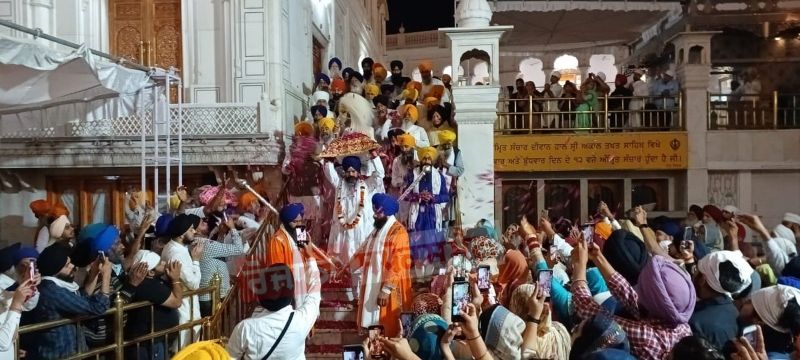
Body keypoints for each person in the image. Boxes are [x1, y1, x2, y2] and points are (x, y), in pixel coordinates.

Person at [340, 193, 412, 337]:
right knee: (373, 328)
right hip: (372, 283)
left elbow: (399, 263)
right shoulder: (377, 230)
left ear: (386, 213)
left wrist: (385, 290)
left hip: (390, 288)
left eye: (377, 213)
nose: (374, 216)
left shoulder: (398, 232)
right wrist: (347, 267)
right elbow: (364, 252)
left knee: (389, 327)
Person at [23, 243, 111, 359]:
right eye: (67, 265)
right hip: (61, 354)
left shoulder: (54, 286)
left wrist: (94, 272)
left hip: (71, 352)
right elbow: (98, 307)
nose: (73, 266)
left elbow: (81, 299)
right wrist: (106, 276)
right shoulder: (53, 291)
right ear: (55, 270)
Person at [227, 261, 321, 360]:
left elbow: (228, 357)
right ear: (291, 291)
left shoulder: (245, 329)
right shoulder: (301, 320)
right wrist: (311, 260)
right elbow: (314, 294)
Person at [323, 154, 385, 297]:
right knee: (348, 264)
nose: (351, 174)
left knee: (363, 264)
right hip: (344, 233)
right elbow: (329, 171)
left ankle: (362, 295)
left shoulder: (367, 186)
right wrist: (329, 159)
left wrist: (375, 157)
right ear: (344, 172)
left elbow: (379, 175)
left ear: (358, 172)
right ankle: (355, 294)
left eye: (353, 171)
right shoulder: (339, 185)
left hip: (361, 232)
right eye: (348, 171)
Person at [264, 203, 326, 306]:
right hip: (290, 283)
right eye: (295, 221)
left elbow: (309, 252)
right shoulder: (277, 240)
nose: (298, 224)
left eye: (300, 220)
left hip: (304, 277)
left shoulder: (301, 232)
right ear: (287, 221)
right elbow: (276, 269)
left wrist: (328, 260)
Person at [124, 250, 182, 360]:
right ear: (150, 272)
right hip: (150, 343)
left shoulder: (146, 282)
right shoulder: (148, 285)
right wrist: (175, 279)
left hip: (150, 340)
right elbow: (176, 302)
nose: (164, 263)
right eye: (160, 263)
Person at [689, 250, 753, 349]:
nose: (694, 274)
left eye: (696, 269)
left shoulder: (695, 321)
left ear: (702, 280)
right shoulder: (734, 311)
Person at [160, 213, 205, 348]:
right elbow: (194, 284)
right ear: (181, 234)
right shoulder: (177, 253)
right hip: (186, 310)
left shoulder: (175, 247)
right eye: (191, 229)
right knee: (186, 348)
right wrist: (196, 260)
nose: (194, 231)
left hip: (186, 306)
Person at [406, 147, 450, 281]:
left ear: (432, 161)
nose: (426, 161)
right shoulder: (412, 175)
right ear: (420, 160)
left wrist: (433, 198)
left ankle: (429, 279)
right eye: (424, 159)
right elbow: (405, 194)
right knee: (417, 248)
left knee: (432, 247)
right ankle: (419, 279)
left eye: (429, 159)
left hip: (432, 217)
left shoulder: (439, 176)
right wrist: (419, 196)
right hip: (417, 216)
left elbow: (445, 197)